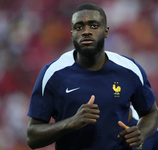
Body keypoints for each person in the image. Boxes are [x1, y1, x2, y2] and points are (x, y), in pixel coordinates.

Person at [26, 3, 158, 150]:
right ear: (71, 34)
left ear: (106, 31)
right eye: (79, 27)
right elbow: (32, 137)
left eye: (94, 26)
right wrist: (70, 123)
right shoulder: (53, 74)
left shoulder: (129, 69)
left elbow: (151, 112)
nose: (86, 32)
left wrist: (140, 133)